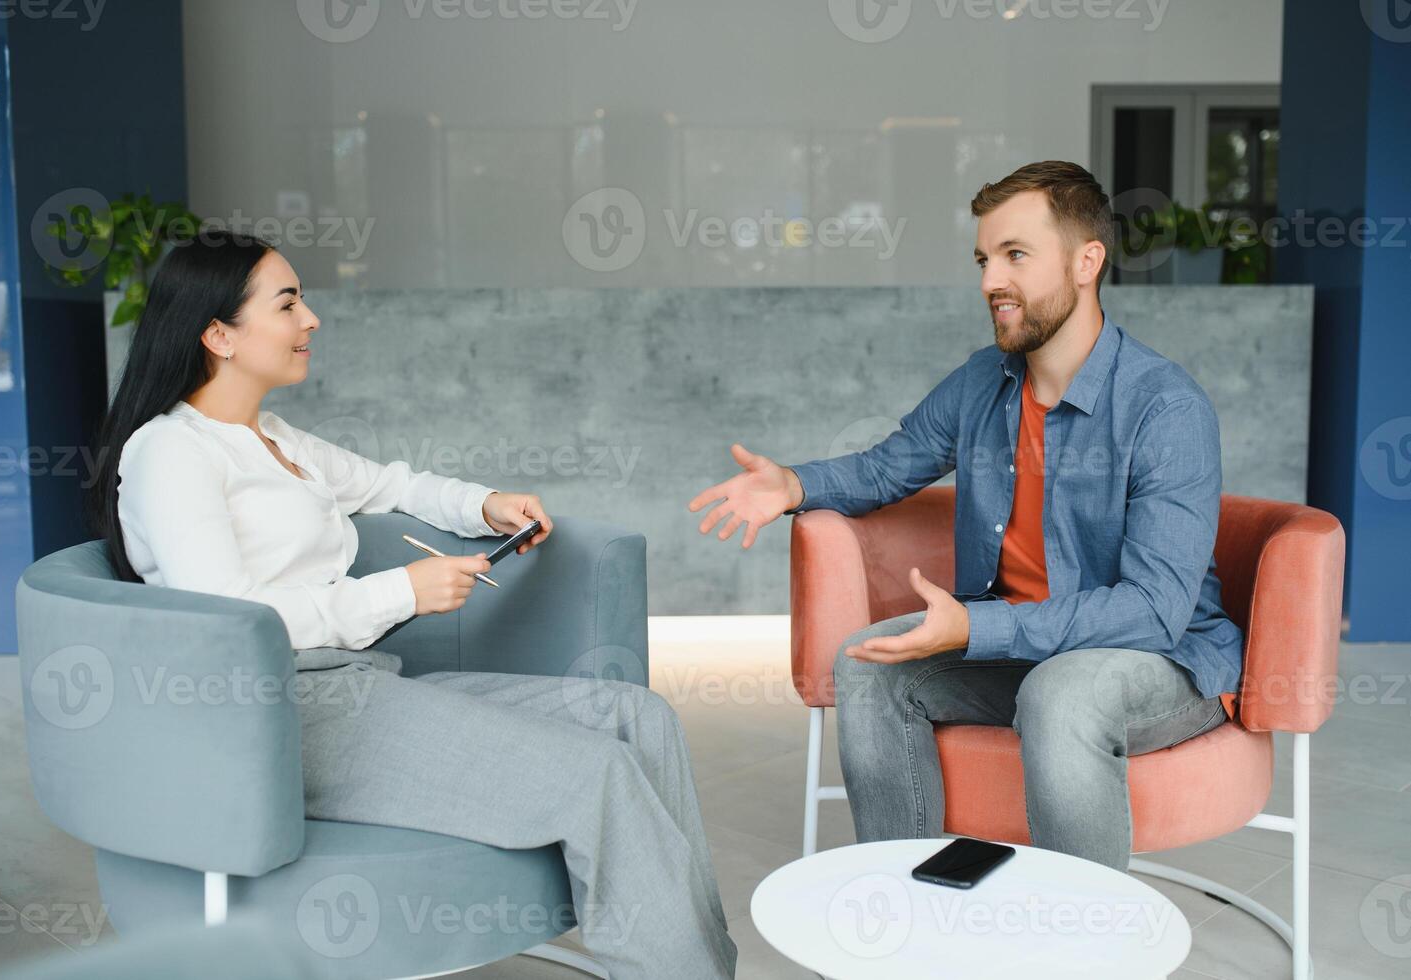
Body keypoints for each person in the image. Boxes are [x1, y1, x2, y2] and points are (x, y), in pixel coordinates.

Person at [90, 229, 737, 979]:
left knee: (637, 716)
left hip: (356, 685)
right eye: (289, 303)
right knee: (594, 773)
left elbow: (393, 484)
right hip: (277, 716)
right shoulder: (171, 452)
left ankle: (698, 965)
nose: (312, 321)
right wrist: (401, 591)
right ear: (217, 334)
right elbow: (228, 623)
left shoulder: (271, 438)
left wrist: (487, 504)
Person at [687, 161, 1243, 871]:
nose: (989, 282)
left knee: (1061, 691)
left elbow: (1153, 612)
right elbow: (891, 464)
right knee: (869, 665)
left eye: (1015, 255)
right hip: (1029, 644)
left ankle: (1082, 945)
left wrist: (979, 625)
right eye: (983, 259)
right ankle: (903, 909)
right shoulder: (985, 379)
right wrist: (791, 484)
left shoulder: (1165, 407)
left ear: (1085, 261)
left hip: (1158, 662)